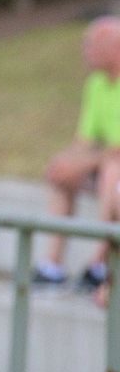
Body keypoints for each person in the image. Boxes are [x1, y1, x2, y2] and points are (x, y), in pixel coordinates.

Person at [33, 16, 120, 291]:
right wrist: (66, 163)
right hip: (108, 163)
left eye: (92, 45)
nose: (86, 52)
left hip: (114, 169)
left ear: (114, 48)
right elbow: (85, 141)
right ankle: (53, 265)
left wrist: (84, 164)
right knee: (62, 175)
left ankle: (99, 264)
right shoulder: (96, 83)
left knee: (112, 173)